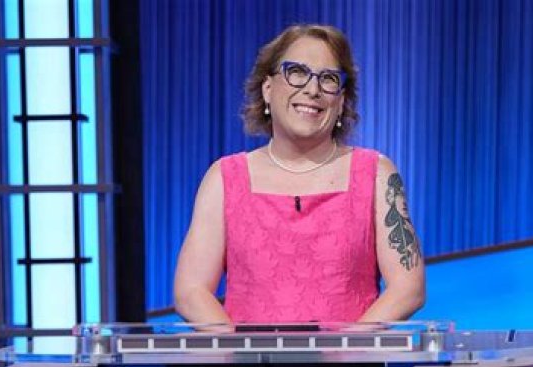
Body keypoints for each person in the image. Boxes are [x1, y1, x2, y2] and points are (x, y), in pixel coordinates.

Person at [173, 24, 425, 326]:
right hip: (247, 357)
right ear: (267, 89)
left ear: (341, 101)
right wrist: (240, 349)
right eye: (297, 72)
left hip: (353, 356)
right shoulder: (225, 178)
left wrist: (347, 347)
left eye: (328, 78)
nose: (312, 89)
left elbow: (407, 288)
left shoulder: (376, 174)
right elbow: (191, 291)